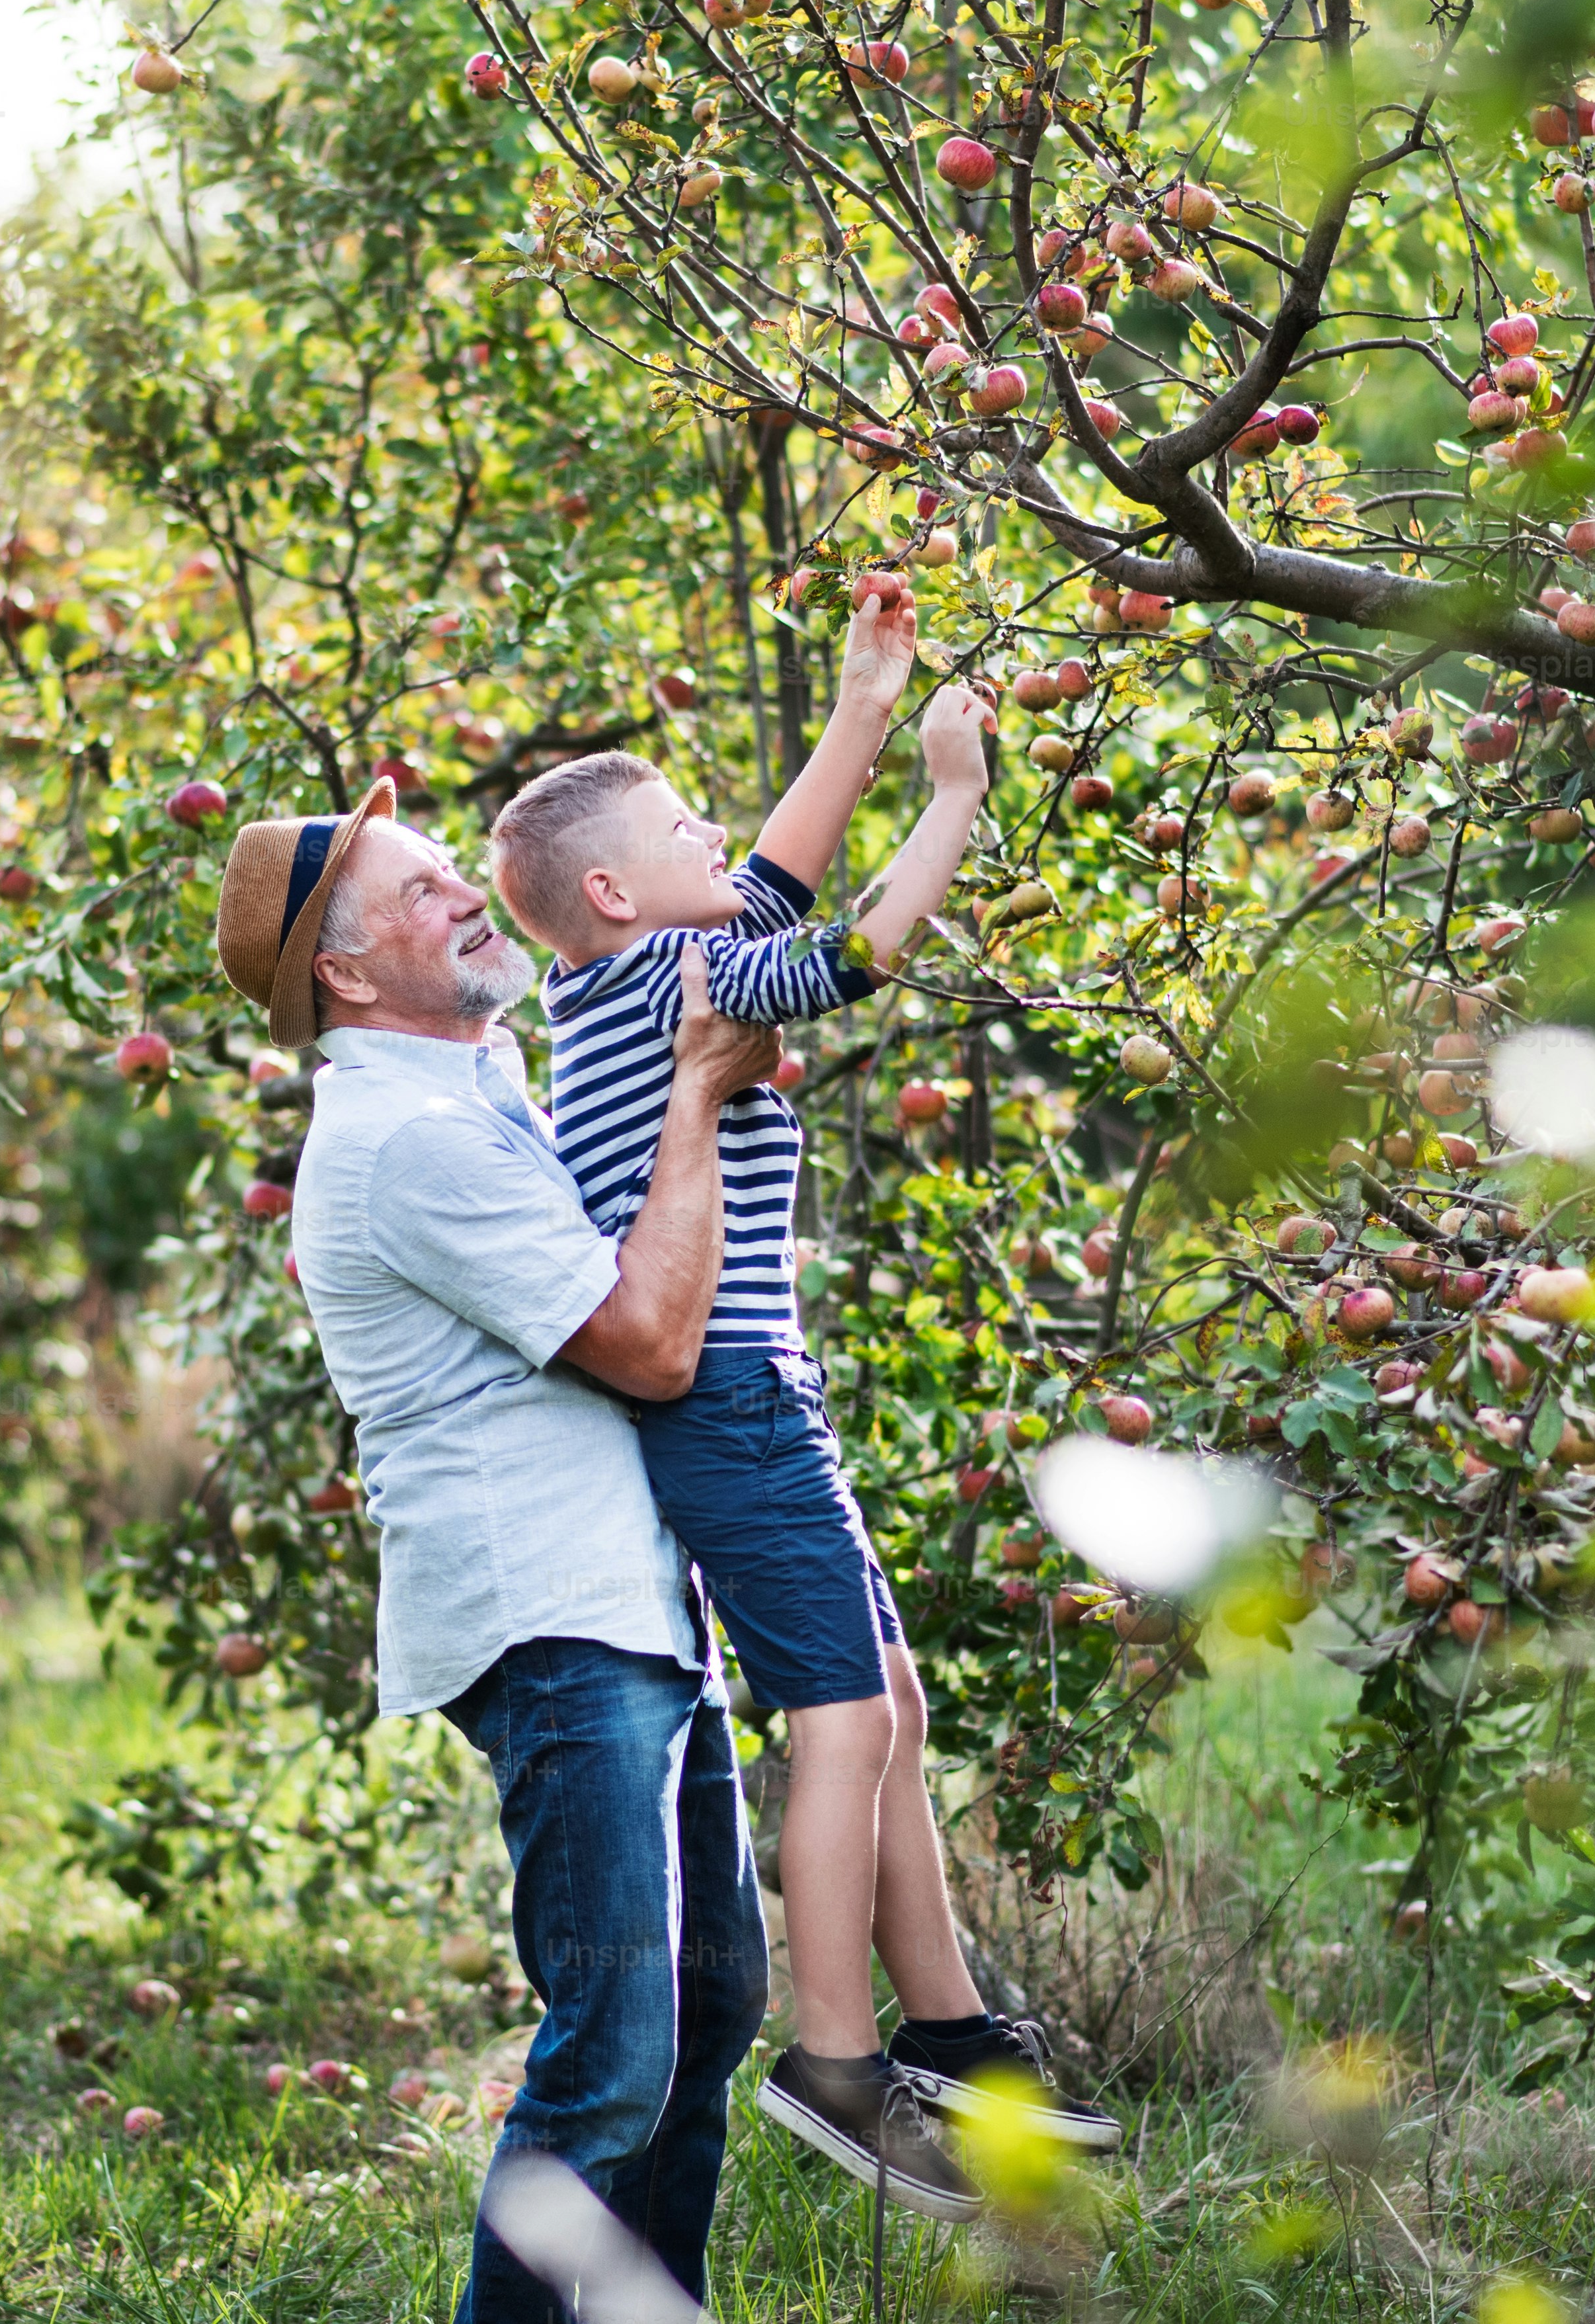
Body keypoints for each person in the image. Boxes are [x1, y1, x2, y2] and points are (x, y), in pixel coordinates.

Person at [481, 587, 1119, 2219]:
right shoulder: (672, 979)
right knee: (840, 1714)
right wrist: (952, 788)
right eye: (686, 822)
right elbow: (855, 943)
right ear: (618, 890)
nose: (729, 839)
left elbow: (770, 878)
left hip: (762, 1402)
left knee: (885, 1692)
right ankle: (839, 2059)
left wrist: (859, 702)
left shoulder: (619, 980)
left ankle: (958, 2026)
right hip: (738, 1406)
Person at [212, 780, 782, 2324]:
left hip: (636, 1607)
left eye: (458, 872)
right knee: (610, 2055)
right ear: (343, 974)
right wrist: (696, 1091)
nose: (469, 896)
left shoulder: (480, 1081)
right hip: (555, 1623)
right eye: (423, 891)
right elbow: (653, 1344)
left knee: (711, 2006)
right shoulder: (402, 1141)